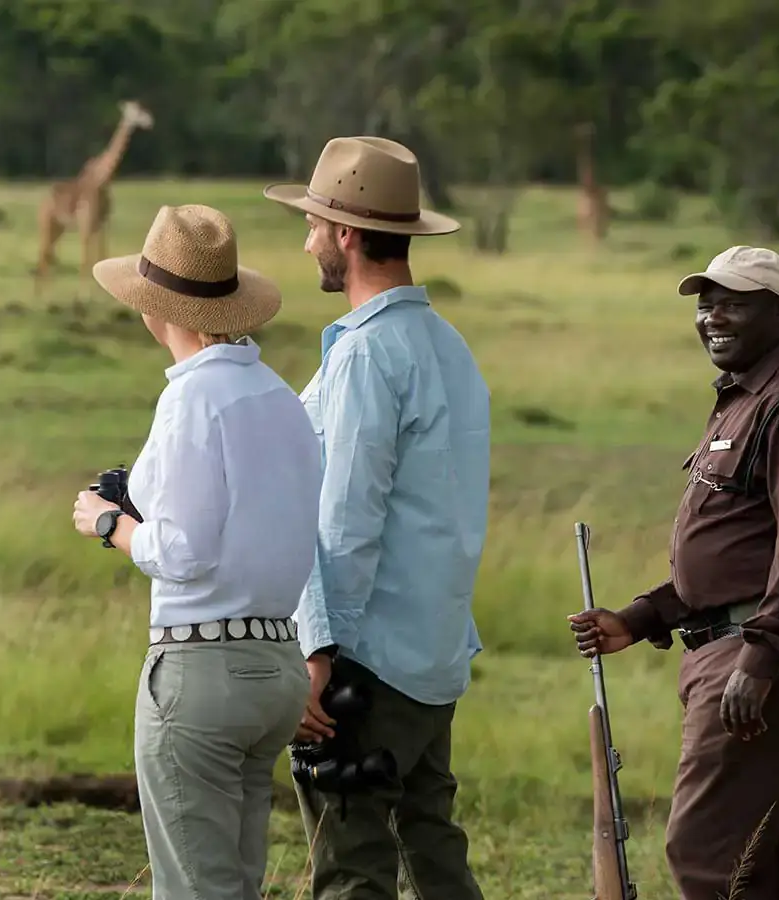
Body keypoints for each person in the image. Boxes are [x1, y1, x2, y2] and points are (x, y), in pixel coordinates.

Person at [568, 246, 779, 900]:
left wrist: (760, 660)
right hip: (723, 648)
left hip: (757, 654)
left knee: (703, 849)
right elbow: (739, 549)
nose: (711, 317)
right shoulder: (742, 398)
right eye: (704, 304)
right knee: (757, 855)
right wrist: (641, 618)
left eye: (732, 303)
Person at [69, 204, 323, 900]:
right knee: (235, 881)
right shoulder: (281, 399)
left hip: (202, 671)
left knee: (194, 890)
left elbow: (180, 550)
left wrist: (107, 524)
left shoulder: (190, 400)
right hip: (275, 666)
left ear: (155, 310)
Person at [262, 137, 490, 900]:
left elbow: (344, 521)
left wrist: (314, 656)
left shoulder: (368, 355)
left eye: (316, 225)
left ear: (348, 235)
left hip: (370, 662)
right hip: (431, 655)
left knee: (352, 866)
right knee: (432, 849)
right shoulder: (448, 347)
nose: (308, 241)